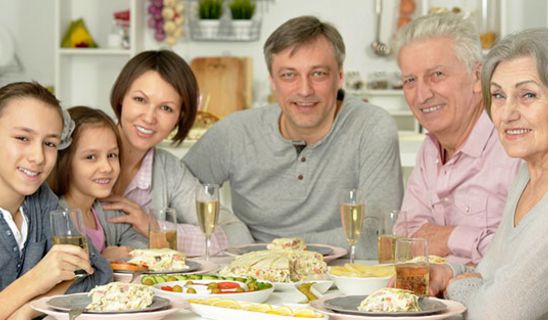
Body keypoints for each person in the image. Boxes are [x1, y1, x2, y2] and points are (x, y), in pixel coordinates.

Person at [182, 15, 403, 259]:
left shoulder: (372, 127)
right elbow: (176, 193)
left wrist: (273, 250)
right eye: (289, 75)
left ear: (340, 77)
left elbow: (377, 236)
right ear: (273, 82)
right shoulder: (235, 132)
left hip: (340, 280)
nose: (305, 90)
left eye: (318, 74)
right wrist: (233, 230)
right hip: (249, 281)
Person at [431, 28, 548, 319]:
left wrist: (456, 286)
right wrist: (449, 271)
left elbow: (496, 313)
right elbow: (493, 272)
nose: (507, 114)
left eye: (528, 95)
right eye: (498, 95)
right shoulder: (530, 171)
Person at [393, 12, 521, 264]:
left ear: (477, 77)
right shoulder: (430, 149)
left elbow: (522, 256)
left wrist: (449, 238)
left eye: (437, 75)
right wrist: (473, 243)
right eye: (410, 80)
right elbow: (403, 238)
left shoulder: (514, 146)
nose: (421, 95)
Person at [101, 50, 251, 256]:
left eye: (166, 108)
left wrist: (155, 229)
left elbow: (238, 236)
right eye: (140, 99)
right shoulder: (80, 149)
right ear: (121, 98)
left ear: (179, 117)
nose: (149, 118)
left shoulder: (169, 170)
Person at [0, 82, 111, 319]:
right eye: (22, 138)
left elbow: (94, 271)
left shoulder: (40, 200)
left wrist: (25, 312)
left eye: (50, 143)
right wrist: (38, 279)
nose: (38, 157)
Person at [50, 106, 147, 261]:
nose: (107, 167)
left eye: (111, 155)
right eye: (91, 157)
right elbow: (68, 272)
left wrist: (126, 251)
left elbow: (140, 240)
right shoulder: (54, 217)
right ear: (64, 161)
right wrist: (102, 259)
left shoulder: (107, 210)